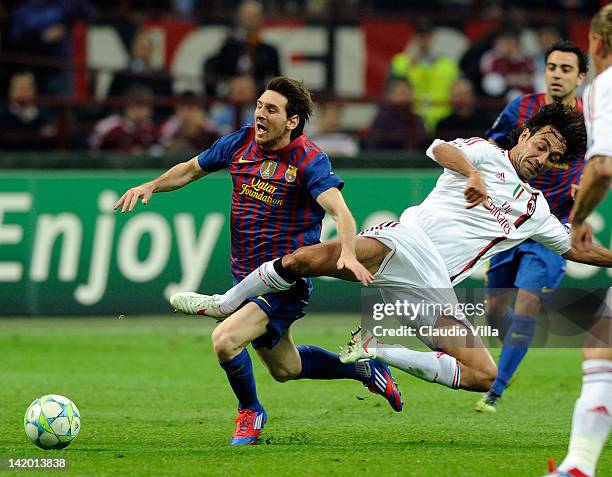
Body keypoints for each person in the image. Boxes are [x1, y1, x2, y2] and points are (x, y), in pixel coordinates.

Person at [171, 103, 612, 398]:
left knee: (485, 376)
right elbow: (438, 147)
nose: (542, 157)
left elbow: (574, 248)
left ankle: (375, 349)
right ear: (527, 133)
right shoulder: (484, 153)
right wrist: (473, 176)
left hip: (433, 285)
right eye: (541, 144)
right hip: (404, 241)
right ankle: (222, 302)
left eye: (553, 157)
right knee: (307, 259)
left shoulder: (533, 209)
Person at [114, 76, 403, 446]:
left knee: (225, 340)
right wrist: (150, 185)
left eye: (270, 109)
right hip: (244, 277)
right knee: (287, 368)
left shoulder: (310, 160)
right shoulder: (241, 141)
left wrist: (347, 250)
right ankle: (363, 368)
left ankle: (251, 411)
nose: (260, 115)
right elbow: (190, 169)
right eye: (259, 106)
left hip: (285, 281)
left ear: (292, 121)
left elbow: (340, 213)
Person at [475, 39, 589, 413]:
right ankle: (516, 347)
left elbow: (602, 162)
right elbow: (490, 146)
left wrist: (584, 181)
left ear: (581, 76)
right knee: (495, 312)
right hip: (509, 222)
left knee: (527, 304)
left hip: (553, 224)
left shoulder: (595, 119)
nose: (557, 75)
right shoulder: (521, 108)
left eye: (566, 69)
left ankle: (495, 389)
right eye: (552, 67)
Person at [545, 5, 612, 477]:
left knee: (601, 351)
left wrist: (578, 215)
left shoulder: (604, 87)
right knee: (602, 350)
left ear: (596, 43)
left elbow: (602, 166)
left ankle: (577, 468)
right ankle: (577, 467)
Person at [389, 18, 459, 132]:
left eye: (426, 35)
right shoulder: (400, 62)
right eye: (419, 35)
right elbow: (391, 93)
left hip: (443, 122)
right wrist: (408, 68)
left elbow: (459, 92)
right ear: (413, 37)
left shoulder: (447, 64)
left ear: (432, 37)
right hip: (410, 123)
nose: (423, 39)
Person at [203, 0, 280, 97]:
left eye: (253, 15)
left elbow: (278, 83)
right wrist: (231, 84)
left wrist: (258, 87)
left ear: (261, 19)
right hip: (229, 100)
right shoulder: (228, 48)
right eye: (246, 15)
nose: (250, 19)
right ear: (239, 18)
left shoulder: (269, 51)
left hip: (258, 103)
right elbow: (213, 72)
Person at [90, 86, 159, 154]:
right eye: (134, 105)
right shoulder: (107, 126)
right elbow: (94, 153)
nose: (139, 111)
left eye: (144, 106)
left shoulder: (151, 128)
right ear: (125, 105)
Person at [365, 79, 427, 151]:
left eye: (409, 94)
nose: (406, 98)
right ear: (391, 96)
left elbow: (423, 145)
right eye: (402, 93)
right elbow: (374, 146)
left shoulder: (417, 120)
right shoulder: (382, 119)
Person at [0, 71, 57, 150]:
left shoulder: (47, 116)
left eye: (26, 87)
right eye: (18, 87)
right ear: (10, 91)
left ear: (34, 90)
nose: (22, 92)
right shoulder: (3, 117)